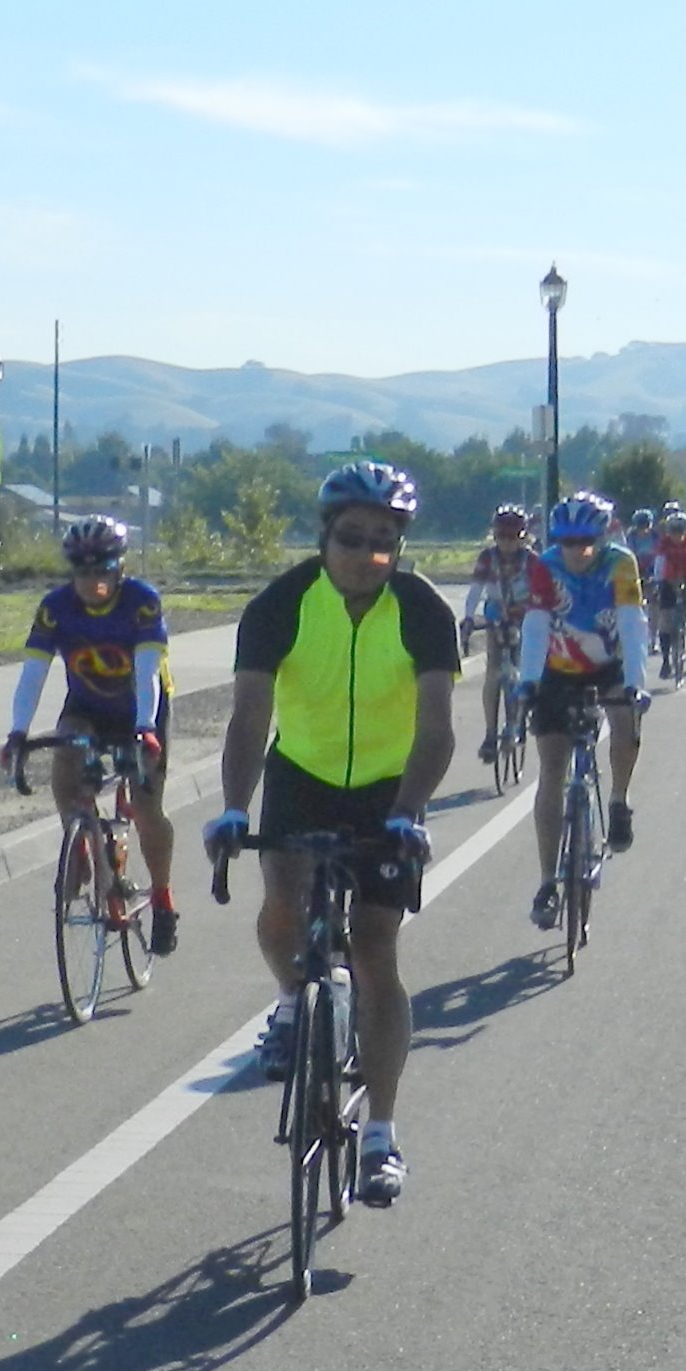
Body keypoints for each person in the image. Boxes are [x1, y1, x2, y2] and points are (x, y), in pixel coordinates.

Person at [203, 460, 461, 1209]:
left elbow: (437, 730)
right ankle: (292, 1000)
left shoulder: (423, 610)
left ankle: (380, 1134)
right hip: (303, 775)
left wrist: (407, 813)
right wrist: (233, 808)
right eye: (353, 538)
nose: (368, 555)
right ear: (324, 536)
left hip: (389, 786)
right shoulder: (280, 604)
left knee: (375, 948)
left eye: (385, 541)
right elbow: (249, 719)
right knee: (283, 905)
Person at [1, 513, 179, 954]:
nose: (91, 581)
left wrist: (145, 728)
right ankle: (79, 841)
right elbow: (33, 673)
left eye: (102, 570)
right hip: (87, 705)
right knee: (64, 763)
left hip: (140, 707)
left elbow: (146, 672)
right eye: (82, 571)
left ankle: (162, 897)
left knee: (147, 808)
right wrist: (18, 732)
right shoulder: (56, 608)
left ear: (120, 568)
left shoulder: (141, 601)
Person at [513, 492, 649, 927]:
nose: (576, 551)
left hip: (609, 664)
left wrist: (636, 684)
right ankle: (547, 881)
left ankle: (619, 800)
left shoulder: (621, 563)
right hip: (558, 668)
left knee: (625, 724)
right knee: (551, 770)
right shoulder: (545, 565)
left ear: (602, 538)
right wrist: (528, 680)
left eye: (586, 542)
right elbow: (536, 625)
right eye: (567, 542)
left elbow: (632, 624)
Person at [454, 503, 535, 769]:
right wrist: (468, 618)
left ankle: (519, 716)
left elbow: (542, 594)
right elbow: (476, 590)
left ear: (523, 537)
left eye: (513, 537)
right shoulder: (487, 558)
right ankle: (490, 733)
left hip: (524, 613)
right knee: (493, 671)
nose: (507, 543)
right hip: (496, 612)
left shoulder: (532, 560)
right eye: (502, 537)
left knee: (524, 669)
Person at [649, 503, 686, 654]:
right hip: (669, 579)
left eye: (680, 530)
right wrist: (658, 580)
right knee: (665, 619)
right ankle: (666, 659)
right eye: (674, 531)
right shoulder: (664, 543)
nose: (677, 534)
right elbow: (660, 562)